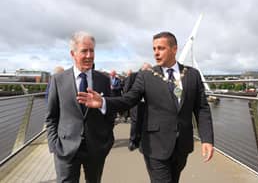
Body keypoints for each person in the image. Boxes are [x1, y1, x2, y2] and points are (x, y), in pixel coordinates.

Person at [77, 31, 214, 183]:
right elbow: (129, 99)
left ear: (174, 49)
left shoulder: (192, 75)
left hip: (182, 145)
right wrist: (104, 102)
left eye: (161, 48)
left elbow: (202, 108)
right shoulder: (146, 76)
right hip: (155, 145)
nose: (156, 53)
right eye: (154, 49)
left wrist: (207, 139)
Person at [45, 31, 114, 183]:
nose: (89, 55)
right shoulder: (58, 80)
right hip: (65, 149)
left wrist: (107, 141)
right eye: (84, 51)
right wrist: (54, 146)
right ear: (73, 53)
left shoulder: (103, 79)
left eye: (92, 50)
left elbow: (110, 113)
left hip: (96, 148)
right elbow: (51, 117)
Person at [122, 63, 152, 151]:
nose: (149, 72)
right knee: (135, 123)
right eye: (147, 70)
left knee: (144, 122)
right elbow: (126, 90)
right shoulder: (133, 76)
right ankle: (133, 141)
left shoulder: (151, 78)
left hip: (147, 104)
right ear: (142, 69)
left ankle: (142, 141)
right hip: (135, 104)